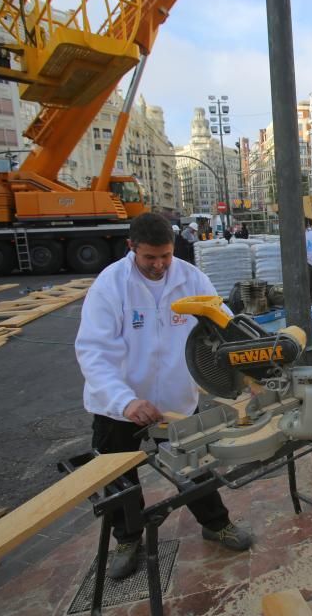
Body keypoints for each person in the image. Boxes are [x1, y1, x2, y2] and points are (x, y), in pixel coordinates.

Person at [75, 212, 252, 580]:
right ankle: (127, 539)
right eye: (149, 258)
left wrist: (247, 367)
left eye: (165, 256)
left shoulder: (191, 279)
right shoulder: (111, 285)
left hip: (176, 400)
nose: (159, 266)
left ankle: (216, 523)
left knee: (196, 467)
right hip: (120, 407)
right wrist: (125, 401)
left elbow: (223, 326)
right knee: (120, 480)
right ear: (131, 248)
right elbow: (94, 352)